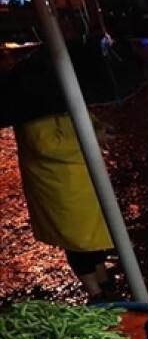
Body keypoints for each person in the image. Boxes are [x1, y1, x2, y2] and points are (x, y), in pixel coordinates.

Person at [2, 47, 116, 300]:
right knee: (79, 243)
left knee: (95, 238)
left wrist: (98, 126)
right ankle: (96, 293)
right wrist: (91, 138)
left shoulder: (60, 98)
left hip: (83, 181)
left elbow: (83, 116)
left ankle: (105, 281)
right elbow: (46, 146)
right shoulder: (32, 109)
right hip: (61, 187)